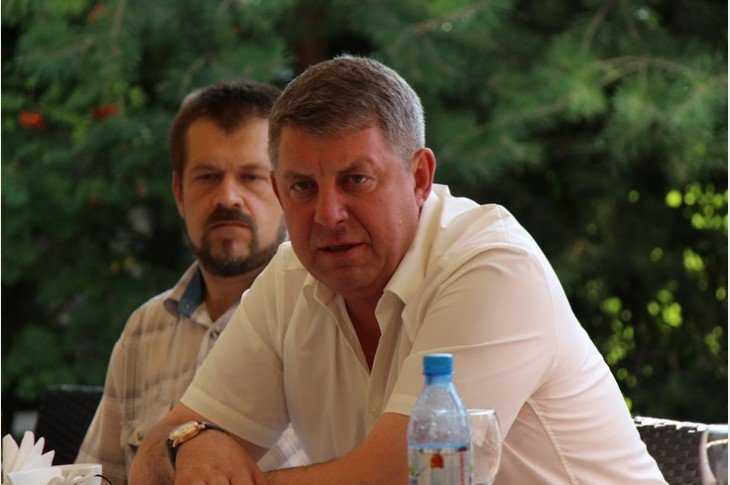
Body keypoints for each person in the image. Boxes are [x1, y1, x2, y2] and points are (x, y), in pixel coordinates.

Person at [130, 56, 666, 484]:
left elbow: (404, 475)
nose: (328, 214)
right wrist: (190, 443)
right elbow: (153, 454)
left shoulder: (493, 265)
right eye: (303, 187)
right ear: (279, 191)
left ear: (419, 178)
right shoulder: (289, 278)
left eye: (356, 180)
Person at [76, 80, 306, 484]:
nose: (228, 197)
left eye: (251, 177)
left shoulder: (323, 316)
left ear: (286, 190)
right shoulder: (143, 331)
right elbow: (97, 477)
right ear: (179, 192)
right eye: (207, 177)